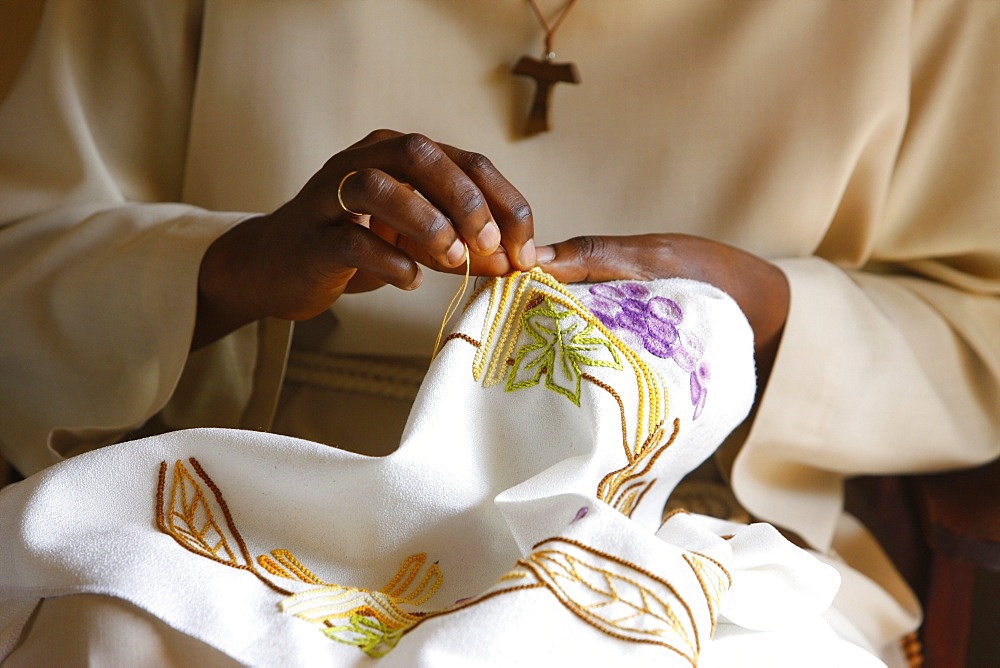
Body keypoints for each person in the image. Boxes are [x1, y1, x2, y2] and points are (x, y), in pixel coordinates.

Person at [0, 0, 997, 664]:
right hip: (247, 472)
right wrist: (233, 265)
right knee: (119, 626)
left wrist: (766, 308)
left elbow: (979, 324)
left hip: (692, 514)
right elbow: (21, 256)